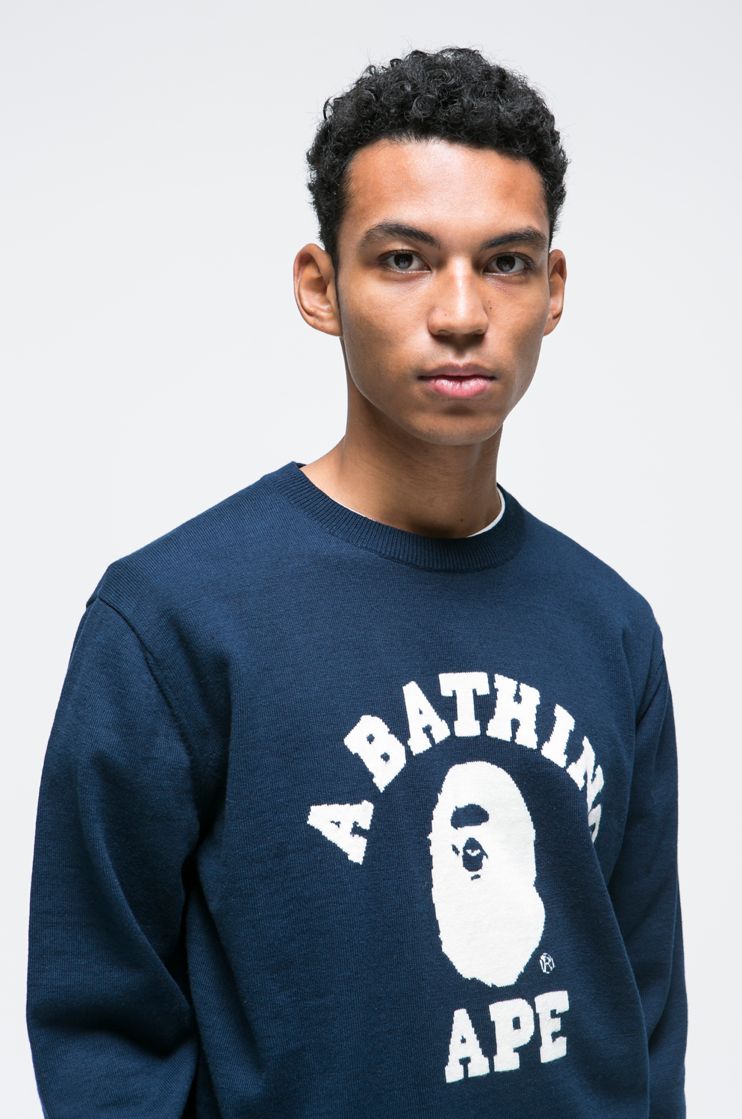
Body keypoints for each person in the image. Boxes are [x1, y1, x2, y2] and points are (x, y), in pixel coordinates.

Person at [26, 45, 687, 1117]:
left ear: (553, 290)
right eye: (404, 259)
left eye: (505, 262)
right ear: (321, 285)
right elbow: (102, 1022)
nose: (461, 312)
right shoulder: (174, 619)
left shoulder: (610, 626)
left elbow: (644, 1011)